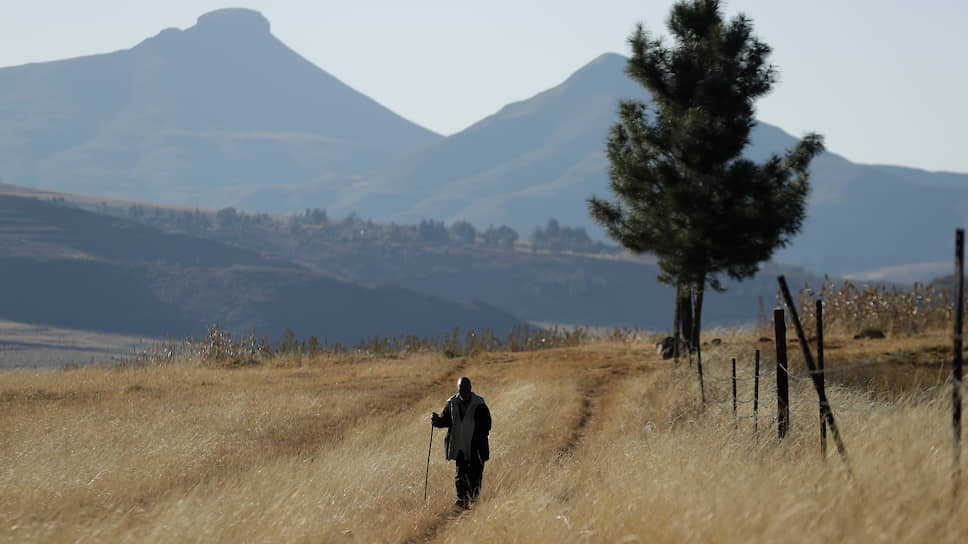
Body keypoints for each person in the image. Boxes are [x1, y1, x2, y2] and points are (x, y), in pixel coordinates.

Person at [431, 376, 491, 509]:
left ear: (470, 388)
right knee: (460, 475)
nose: (463, 391)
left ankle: (473, 502)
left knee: (475, 476)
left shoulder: (479, 404)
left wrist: (475, 436)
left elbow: (487, 425)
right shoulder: (452, 403)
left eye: (466, 388)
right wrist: (436, 421)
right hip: (460, 446)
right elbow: (445, 421)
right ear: (458, 389)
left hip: (476, 448)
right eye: (461, 388)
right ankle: (462, 500)